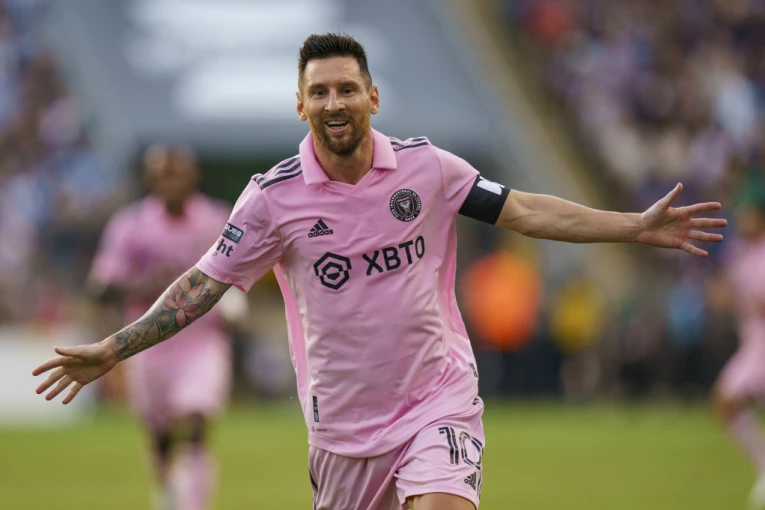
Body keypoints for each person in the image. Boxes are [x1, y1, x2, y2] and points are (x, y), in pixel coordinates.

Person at [33, 34, 726, 510]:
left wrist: (631, 226)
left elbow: (524, 210)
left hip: (436, 398)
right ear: (300, 105)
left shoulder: (428, 168)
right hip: (342, 428)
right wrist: (113, 347)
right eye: (319, 92)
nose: (333, 102)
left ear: (372, 96)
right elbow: (202, 284)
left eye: (346, 88)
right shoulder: (271, 199)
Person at [86, 145, 243, 510]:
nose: (170, 180)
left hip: (202, 339)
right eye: (162, 173)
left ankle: (194, 503)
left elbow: (240, 270)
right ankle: (166, 490)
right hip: (148, 342)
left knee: (196, 418)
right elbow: (101, 287)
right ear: (150, 178)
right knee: (161, 435)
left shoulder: (215, 219)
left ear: (193, 176)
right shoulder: (131, 225)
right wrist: (144, 285)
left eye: (177, 172)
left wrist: (236, 304)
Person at [713, 195, 765, 510]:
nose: (743, 221)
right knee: (725, 403)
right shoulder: (742, 254)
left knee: (728, 400)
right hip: (752, 343)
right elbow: (731, 295)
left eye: (749, 215)